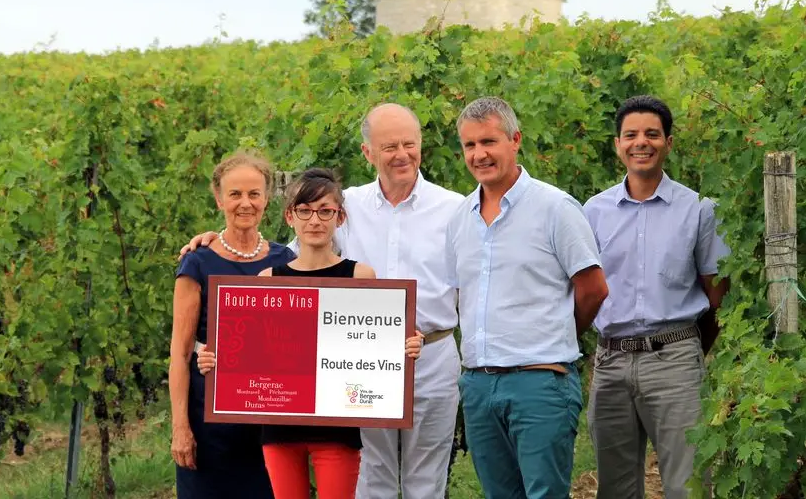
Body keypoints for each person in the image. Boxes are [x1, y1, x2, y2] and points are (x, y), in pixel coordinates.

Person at [180, 103, 465, 498]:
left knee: (427, 479)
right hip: (362, 362)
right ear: (368, 153)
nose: (401, 154)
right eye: (389, 146)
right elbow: (294, 261)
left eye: (409, 144)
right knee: (372, 477)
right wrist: (222, 240)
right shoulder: (345, 205)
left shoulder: (455, 208)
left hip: (432, 353)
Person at [196, 167, 426, 499]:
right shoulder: (268, 280)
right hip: (279, 428)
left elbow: (377, 344)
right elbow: (247, 353)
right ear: (290, 217)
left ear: (340, 217)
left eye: (325, 211)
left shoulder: (360, 276)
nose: (314, 220)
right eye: (304, 211)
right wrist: (215, 360)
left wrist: (405, 346)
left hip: (337, 428)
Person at [445, 96, 609, 499]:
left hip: (539, 383)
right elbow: (461, 295)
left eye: (489, 141)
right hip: (480, 386)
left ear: (515, 140)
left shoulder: (555, 208)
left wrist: (554, 334)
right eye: (470, 145)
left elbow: (594, 288)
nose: (479, 154)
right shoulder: (460, 218)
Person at [582, 95, 731, 499]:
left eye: (651, 134)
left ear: (668, 141)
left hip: (675, 362)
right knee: (615, 487)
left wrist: (687, 351)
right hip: (610, 364)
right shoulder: (593, 212)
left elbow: (716, 294)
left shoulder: (698, 210)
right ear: (617, 144)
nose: (640, 143)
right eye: (630, 135)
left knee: (688, 485)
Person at [168, 150, 297, 499]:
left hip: (269, 421)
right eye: (235, 194)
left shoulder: (286, 260)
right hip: (209, 420)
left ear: (267, 199)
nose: (245, 203)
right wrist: (180, 427)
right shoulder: (197, 262)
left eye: (254, 194)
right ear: (218, 198)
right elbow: (179, 356)